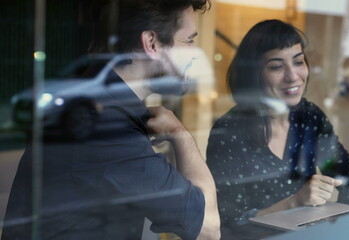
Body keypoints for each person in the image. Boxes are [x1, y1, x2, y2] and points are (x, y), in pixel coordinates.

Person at [2, 0, 220, 239]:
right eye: (188, 40)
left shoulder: (91, 100)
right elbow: (208, 229)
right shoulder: (108, 127)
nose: (195, 54)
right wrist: (180, 133)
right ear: (152, 43)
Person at [206, 19, 349, 238]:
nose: (292, 75)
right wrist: (295, 201)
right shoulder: (229, 132)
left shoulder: (308, 116)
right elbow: (228, 221)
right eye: (277, 66)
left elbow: (346, 172)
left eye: (298, 62)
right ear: (254, 74)